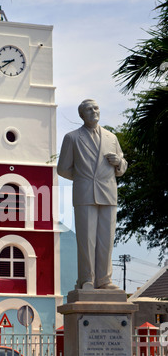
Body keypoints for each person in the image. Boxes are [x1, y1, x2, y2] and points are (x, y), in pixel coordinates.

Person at [57, 99, 127, 290]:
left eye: (96, 108)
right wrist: (83, 178)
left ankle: (105, 280)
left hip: (108, 193)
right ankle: (87, 279)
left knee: (106, 240)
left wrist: (118, 162)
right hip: (85, 193)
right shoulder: (72, 138)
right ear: (82, 115)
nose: (94, 111)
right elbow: (62, 169)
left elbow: (122, 168)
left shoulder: (111, 138)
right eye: (89, 109)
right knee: (87, 241)